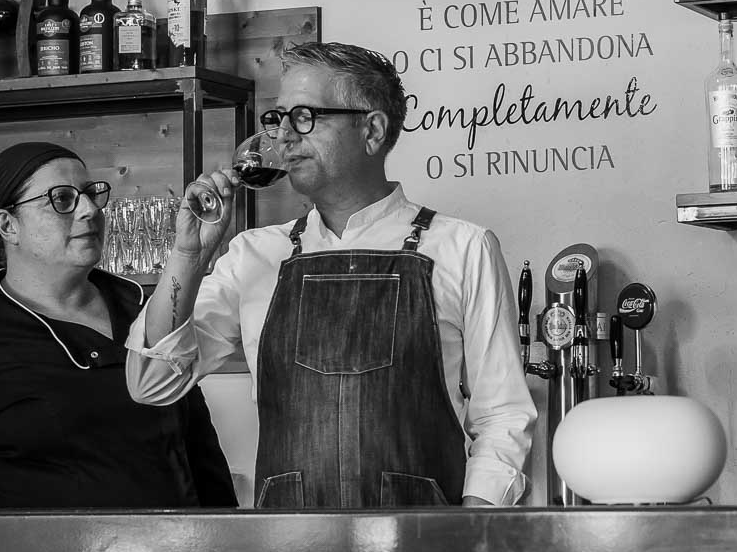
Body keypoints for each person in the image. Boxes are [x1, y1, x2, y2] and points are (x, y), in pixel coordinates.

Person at [126, 41, 534, 508]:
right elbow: (152, 383)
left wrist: (471, 528)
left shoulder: (463, 247)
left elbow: (502, 415)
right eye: (278, 118)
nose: (284, 137)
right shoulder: (254, 254)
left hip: (424, 543)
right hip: (288, 543)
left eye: (304, 117)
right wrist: (188, 257)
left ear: (372, 130)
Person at [0, 142, 238, 509]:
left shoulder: (146, 314)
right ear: (8, 225)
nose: (89, 210)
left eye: (91, 194)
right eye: (62, 199)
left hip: (177, 549)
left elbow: (205, 468)